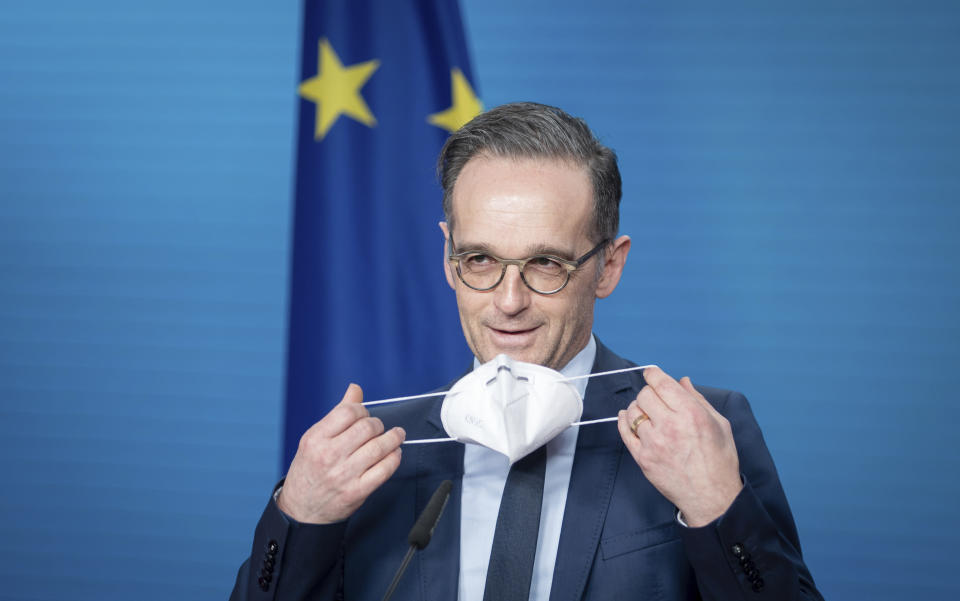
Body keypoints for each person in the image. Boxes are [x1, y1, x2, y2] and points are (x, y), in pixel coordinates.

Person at [230, 102, 822, 600]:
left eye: (546, 263)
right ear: (447, 259)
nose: (508, 302)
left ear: (608, 266)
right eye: (480, 260)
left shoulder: (704, 430)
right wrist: (299, 517)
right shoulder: (373, 454)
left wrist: (719, 506)